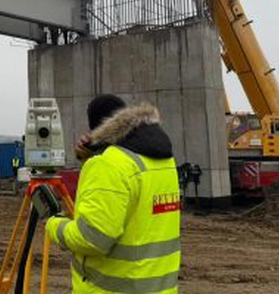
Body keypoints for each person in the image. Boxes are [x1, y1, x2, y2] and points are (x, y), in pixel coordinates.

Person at [46, 94, 181, 293]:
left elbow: (91, 239)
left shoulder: (109, 165)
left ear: (96, 128)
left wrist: (54, 225)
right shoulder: (162, 161)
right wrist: (94, 155)